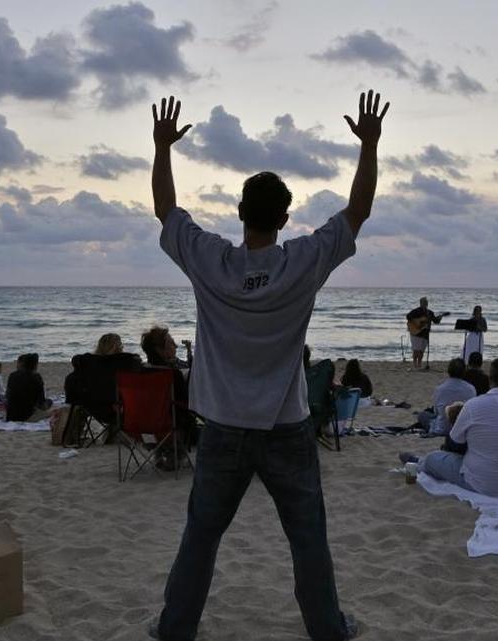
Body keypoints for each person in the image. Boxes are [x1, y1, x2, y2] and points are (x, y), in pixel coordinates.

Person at [150, 90, 387, 641]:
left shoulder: (211, 261)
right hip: (286, 428)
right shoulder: (301, 262)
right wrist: (369, 147)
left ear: (239, 214)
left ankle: (175, 629)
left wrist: (162, 149)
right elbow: (358, 212)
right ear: (284, 218)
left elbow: (166, 210)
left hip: (223, 428)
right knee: (307, 539)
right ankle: (327, 629)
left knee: (200, 538)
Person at [400, 358, 498, 497]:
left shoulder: (475, 405)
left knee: (434, 458)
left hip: (482, 482)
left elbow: (454, 440)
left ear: (491, 379)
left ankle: (419, 463)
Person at [141, 325, 195, 466]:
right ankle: (175, 455)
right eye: (171, 343)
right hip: (170, 426)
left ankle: (159, 453)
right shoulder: (173, 375)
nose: (176, 346)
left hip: (140, 427)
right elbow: (186, 403)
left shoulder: (138, 373)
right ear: (160, 350)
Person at [422, 358, 476, 436]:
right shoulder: (471, 389)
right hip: (464, 428)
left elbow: (436, 411)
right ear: (464, 372)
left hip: (443, 428)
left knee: (423, 415)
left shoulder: (440, 389)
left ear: (449, 371)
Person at [5, 353, 51, 422]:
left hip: (11, 415)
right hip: (27, 416)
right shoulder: (36, 377)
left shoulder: (12, 375)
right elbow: (42, 404)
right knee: (49, 403)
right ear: (35, 365)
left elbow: (8, 395)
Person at [406, 297, 444, 370]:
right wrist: (416, 323)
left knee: (421, 350)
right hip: (416, 333)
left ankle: (419, 363)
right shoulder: (416, 311)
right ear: (420, 303)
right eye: (424, 302)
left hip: (425, 334)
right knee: (416, 350)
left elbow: (436, 321)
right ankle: (414, 363)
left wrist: (440, 318)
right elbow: (408, 316)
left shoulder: (430, 312)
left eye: (426, 302)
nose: (425, 304)